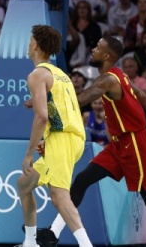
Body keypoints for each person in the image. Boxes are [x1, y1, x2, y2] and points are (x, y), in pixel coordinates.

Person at [43, 37, 146, 247]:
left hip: (135, 143)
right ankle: (52, 233)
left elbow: (79, 100)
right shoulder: (119, 75)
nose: (93, 50)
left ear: (106, 56)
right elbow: (145, 99)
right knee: (82, 179)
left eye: (97, 47)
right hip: (118, 144)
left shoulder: (108, 80)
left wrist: (46, 97)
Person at [17, 25, 92, 247]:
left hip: (63, 139)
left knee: (59, 197)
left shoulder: (37, 74)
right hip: (71, 138)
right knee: (24, 185)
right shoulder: (60, 74)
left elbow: (41, 117)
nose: (28, 44)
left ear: (36, 46)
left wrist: (29, 154)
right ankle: (30, 242)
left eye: (30, 40)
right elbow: (59, 105)